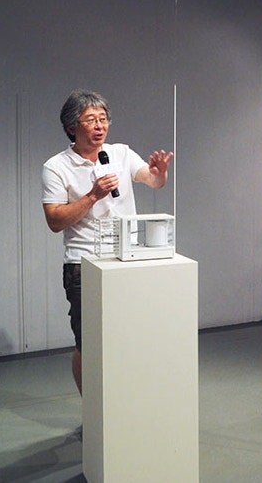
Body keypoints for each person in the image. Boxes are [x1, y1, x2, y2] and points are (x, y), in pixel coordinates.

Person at [42, 89, 173, 395]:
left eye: (103, 119)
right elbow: (55, 221)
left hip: (127, 258)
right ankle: (92, 409)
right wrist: (92, 196)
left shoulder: (121, 153)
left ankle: (124, 402)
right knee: (88, 343)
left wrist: (160, 174)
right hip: (84, 263)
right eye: (91, 120)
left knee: (129, 336)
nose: (100, 125)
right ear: (72, 127)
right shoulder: (56, 167)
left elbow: (152, 180)